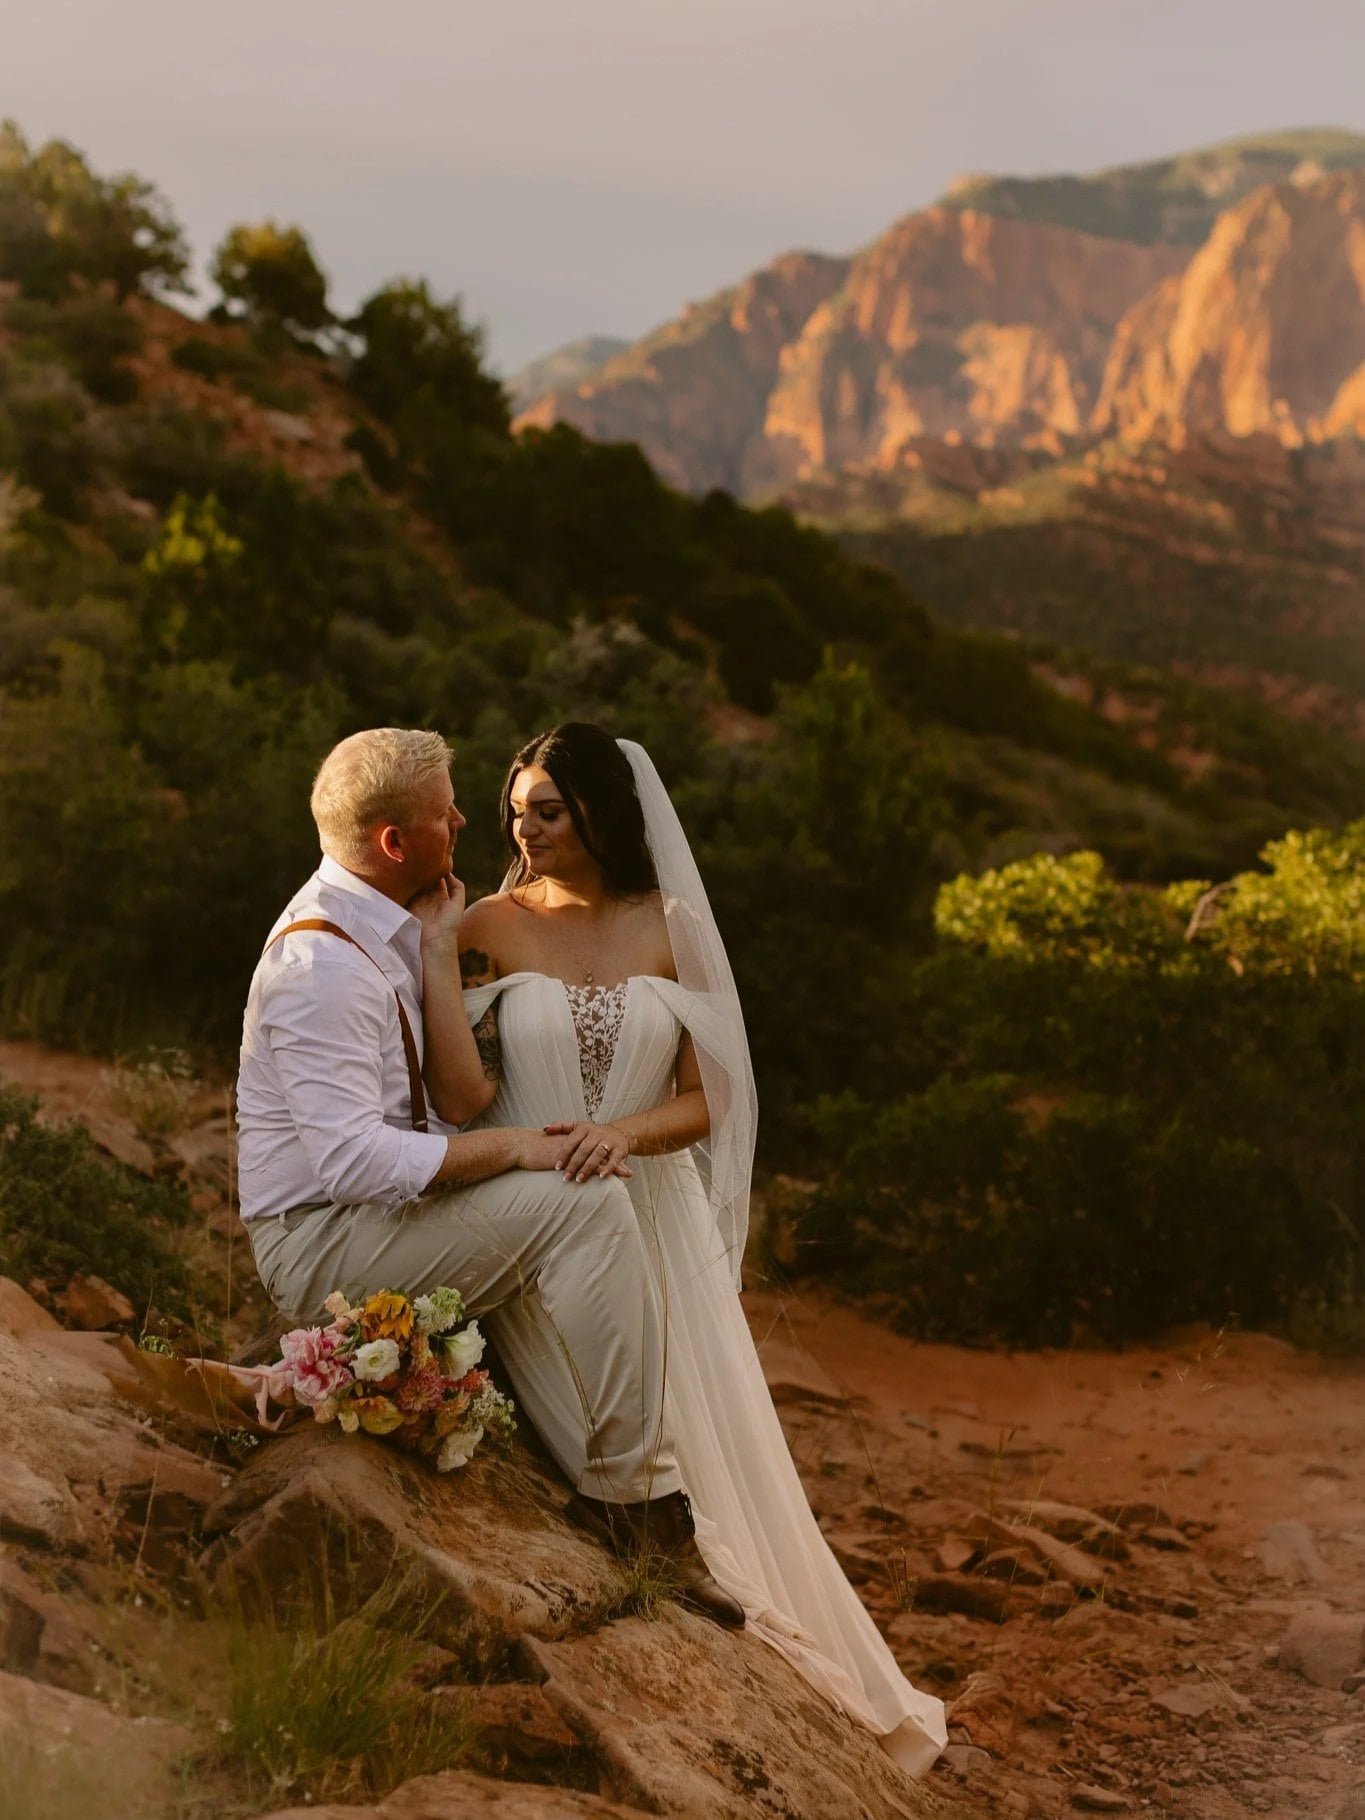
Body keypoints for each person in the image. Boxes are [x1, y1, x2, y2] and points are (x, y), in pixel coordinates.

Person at [428, 722, 947, 1778]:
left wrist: (622, 1131)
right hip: (532, 1213)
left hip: (643, 1206)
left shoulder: (673, 925)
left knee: (699, 1440)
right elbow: (447, 1084)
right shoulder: (484, 920)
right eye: (516, 807)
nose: (522, 827)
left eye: (548, 809)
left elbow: (714, 1098)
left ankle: (769, 1635)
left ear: (604, 814)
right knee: (589, 1436)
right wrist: (437, 955)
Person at [235, 726, 742, 1628]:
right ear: (396, 842)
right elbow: (366, 1156)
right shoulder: (326, 963)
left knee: (585, 1204)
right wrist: (518, 1151)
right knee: (582, 1204)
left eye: (537, 811)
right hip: (328, 1239)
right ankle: (638, 1506)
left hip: (385, 1217)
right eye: (457, 811)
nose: (486, 826)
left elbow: (444, 1109)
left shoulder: (389, 927)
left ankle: (633, 1491)